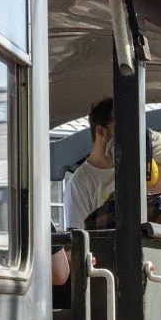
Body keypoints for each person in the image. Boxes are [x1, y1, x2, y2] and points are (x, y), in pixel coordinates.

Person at [63, 98, 116, 230]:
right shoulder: (78, 184)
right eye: (119, 130)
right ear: (100, 131)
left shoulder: (132, 174)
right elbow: (78, 238)